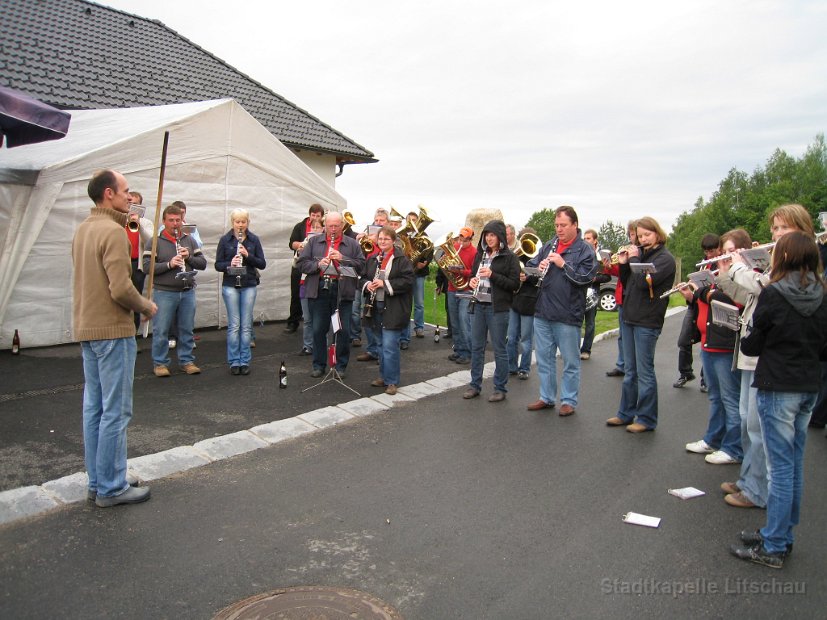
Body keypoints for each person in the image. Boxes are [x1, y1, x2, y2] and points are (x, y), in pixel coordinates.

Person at [730, 231, 827, 569]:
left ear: (782, 258)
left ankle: (773, 545)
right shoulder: (822, 294)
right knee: (793, 465)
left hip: (777, 386)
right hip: (808, 387)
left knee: (780, 468)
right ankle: (781, 534)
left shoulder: (773, 295)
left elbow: (752, 345)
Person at [716, 204, 815, 509]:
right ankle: (750, 478)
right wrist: (723, 276)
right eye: (775, 228)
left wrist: (738, 267)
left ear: (801, 230)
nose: (777, 234)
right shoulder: (778, 262)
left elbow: (765, 288)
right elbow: (751, 296)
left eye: (784, 228)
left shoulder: (800, 266)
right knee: (749, 421)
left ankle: (759, 492)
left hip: (775, 359)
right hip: (758, 354)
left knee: (764, 431)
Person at [73, 169, 157, 507]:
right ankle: (111, 486)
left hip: (87, 328)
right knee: (116, 411)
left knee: (95, 408)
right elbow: (120, 288)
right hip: (112, 329)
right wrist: (146, 305)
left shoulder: (83, 229)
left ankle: (99, 480)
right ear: (108, 194)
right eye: (125, 191)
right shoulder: (114, 231)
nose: (130, 197)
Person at [683, 230, 751, 465]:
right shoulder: (720, 274)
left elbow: (737, 301)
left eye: (731, 251)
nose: (725, 256)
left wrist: (711, 289)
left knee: (731, 399)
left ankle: (734, 449)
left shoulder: (746, 275)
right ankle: (714, 438)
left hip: (727, 344)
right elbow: (708, 299)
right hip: (709, 341)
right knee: (716, 396)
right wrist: (697, 293)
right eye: (724, 252)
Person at [606, 216, 676, 432]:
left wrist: (634, 260)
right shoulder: (642, 255)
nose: (643, 239)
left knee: (645, 372)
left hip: (648, 320)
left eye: (647, 235)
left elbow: (646, 283)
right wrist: (625, 264)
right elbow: (629, 282)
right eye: (640, 235)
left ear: (657, 234)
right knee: (630, 371)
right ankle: (625, 413)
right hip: (630, 315)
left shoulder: (665, 259)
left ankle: (646, 419)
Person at [525, 207, 597, 415]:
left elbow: (585, 278)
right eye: (557, 225)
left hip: (567, 315)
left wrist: (563, 264)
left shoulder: (585, 250)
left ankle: (568, 401)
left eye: (563, 225)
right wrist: (534, 270)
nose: (559, 229)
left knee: (570, 361)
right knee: (544, 359)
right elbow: (533, 264)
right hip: (543, 311)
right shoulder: (549, 245)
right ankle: (546, 397)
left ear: (575, 225)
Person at [297, 211, 365, 378]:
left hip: (343, 291)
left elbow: (362, 265)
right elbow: (301, 263)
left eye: (336, 226)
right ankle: (319, 365)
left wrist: (343, 258)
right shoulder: (314, 241)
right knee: (319, 329)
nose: (333, 229)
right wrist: (318, 264)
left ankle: (340, 365)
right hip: (320, 288)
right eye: (329, 226)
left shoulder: (352, 244)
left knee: (343, 330)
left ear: (342, 225)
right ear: (325, 226)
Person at [143, 204, 207, 377]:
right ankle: (160, 363)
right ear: (164, 221)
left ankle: (186, 361)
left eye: (178, 220)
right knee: (161, 329)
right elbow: (146, 267)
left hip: (187, 291)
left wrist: (190, 257)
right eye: (171, 220)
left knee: (187, 328)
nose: (175, 224)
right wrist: (169, 264)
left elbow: (203, 264)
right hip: (164, 292)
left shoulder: (189, 240)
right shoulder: (154, 241)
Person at [463, 220, 521, 402]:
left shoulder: (510, 258)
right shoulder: (480, 256)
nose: (489, 238)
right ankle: (475, 385)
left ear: (500, 236)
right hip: (479, 305)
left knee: (499, 349)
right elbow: (473, 276)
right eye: (486, 235)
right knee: (477, 347)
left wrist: (493, 275)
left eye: (492, 235)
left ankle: (500, 388)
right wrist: (471, 281)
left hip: (498, 309)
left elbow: (514, 284)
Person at [363, 226, 414, 395]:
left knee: (390, 346)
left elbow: (408, 281)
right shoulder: (372, 259)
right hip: (375, 307)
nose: (382, 241)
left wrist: (385, 285)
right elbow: (362, 277)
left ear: (393, 241)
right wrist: (367, 285)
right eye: (380, 239)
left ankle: (392, 381)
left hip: (393, 308)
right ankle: (384, 377)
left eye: (386, 239)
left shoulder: (402, 259)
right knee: (379, 344)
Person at [214, 209, 266, 375]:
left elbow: (262, 263)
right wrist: (231, 262)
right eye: (237, 222)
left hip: (249, 284)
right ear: (233, 223)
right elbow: (217, 265)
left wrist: (247, 255)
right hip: (230, 284)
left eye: (243, 221)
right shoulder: (225, 240)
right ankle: (234, 361)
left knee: (245, 325)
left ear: (248, 222)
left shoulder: (254, 240)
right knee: (234, 325)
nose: (240, 225)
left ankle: (245, 361)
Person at [674, 233, 720, 389]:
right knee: (683, 341)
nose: (709, 255)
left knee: (707, 343)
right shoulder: (703, 265)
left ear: (719, 249)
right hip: (695, 306)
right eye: (706, 252)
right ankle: (685, 373)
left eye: (712, 251)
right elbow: (695, 293)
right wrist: (687, 293)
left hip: (710, 308)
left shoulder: (721, 265)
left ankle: (705, 379)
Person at [604, 221, 637, 377]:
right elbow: (620, 273)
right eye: (630, 234)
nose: (632, 237)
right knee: (623, 335)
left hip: (634, 298)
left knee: (633, 337)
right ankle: (622, 364)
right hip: (622, 298)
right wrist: (609, 266)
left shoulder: (639, 253)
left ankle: (631, 366)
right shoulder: (625, 250)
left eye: (633, 234)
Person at [356, 208, 389, 361]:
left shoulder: (388, 238)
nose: (379, 222)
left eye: (382, 220)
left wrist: (378, 240)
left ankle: (381, 352)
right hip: (368, 277)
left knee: (380, 321)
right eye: (377, 220)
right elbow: (360, 257)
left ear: (387, 223)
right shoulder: (368, 235)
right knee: (367, 318)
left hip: (382, 281)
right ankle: (371, 350)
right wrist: (360, 241)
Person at [507, 226, 540, 380]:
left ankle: (524, 368)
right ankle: (511, 366)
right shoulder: (516, 257)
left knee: (526, 339)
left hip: (529, 302)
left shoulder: (538, 258)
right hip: (515, 301)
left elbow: (539, 278)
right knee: (512, 337)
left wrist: (527, 278)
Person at [287, 204, 325, 335]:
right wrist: (301, 245)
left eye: (318, 215)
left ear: (322, 216)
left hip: (314, 266)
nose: (315, 217)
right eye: (313, 215)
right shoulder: (300, 226)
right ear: (309, 215)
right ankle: (293, 321)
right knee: (296, 294)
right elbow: (291, 243)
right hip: (299, 265)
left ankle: (312, 323)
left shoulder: (323, 228)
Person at [446, 227, 476, 365]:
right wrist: (448, 267)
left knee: (464, 321)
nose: (461, 242)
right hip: (452, 288)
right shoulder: (455, 247)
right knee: (455, 322)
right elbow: (445, 262)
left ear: (470, 239)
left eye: (465, 240)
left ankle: (467, 353)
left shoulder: (474, 252)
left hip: (466, 289)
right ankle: (458, 350)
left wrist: (461, 271)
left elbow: (474, 272)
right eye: (460, 239)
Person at [125, 191, 154, 335]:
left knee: (135, 300)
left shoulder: (146, 222)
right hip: (121, 264)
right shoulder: (119, 220)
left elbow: (151, 242)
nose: (132, 207)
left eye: (135, 205)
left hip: (137, 265)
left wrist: (139, 225)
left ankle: (133, 336)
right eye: (130, 204)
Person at [579, 229, 610, 360]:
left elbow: (608, 276)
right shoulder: (581, 254)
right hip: (580, 292)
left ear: (595, 240)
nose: (586, 240)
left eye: (588, 238)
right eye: (584, 238)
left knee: (590, 323)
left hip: (593, 293)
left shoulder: (601, 257)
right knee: (577, 322)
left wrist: (595, 279)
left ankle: (586, 350)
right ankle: (574, 349)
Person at [405, 210, 433, 340]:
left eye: (414, 220)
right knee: (405, 303)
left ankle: (419, 327)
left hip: (419, 272)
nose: (412, 222)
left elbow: (429, 250)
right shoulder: (403, 234)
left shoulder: (424, 235)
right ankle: (404, 330)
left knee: (419, 303)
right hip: (405, 273)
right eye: (410, 220)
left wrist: (424, 263)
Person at [299, 218, 325, 355]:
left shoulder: (324, 244)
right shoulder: (306, 243)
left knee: (321, 319)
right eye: (313, 228)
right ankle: (307, 345)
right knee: (307, 318)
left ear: (323, 229)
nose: (315, 230)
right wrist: (300, 252)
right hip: (305, 284)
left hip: (319, 283)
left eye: (318, 227)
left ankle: (320, 346)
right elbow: (297, 265)